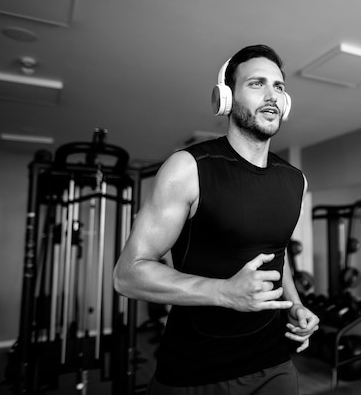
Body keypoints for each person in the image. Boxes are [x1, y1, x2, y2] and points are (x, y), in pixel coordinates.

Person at [113, 44, 320, 395]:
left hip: (275, 365)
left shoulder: (294, 180)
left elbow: (275, 254)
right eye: (257, 84)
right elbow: (128, 275)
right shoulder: (189, 168)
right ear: (226, 98)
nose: (272, 96)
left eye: (279, 87)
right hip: (196, 372)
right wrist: (223, 292)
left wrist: (296, 306)